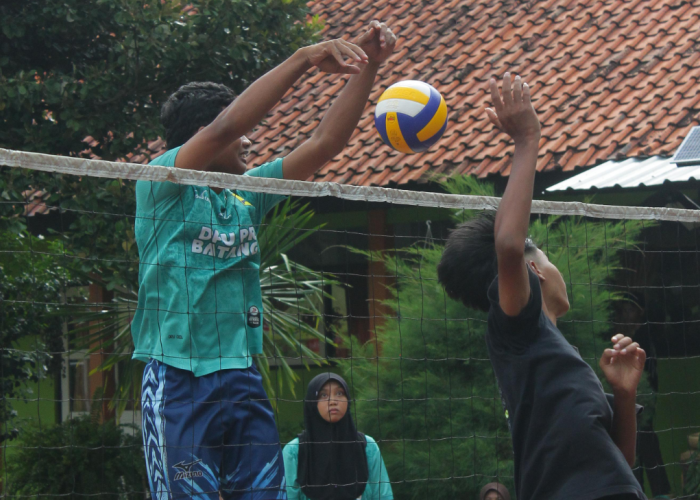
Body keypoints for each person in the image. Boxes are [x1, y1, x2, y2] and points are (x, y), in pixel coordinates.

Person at [133, 22, 397, 499]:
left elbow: (323, 145)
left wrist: (368, 68)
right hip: (178, 381)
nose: (251, 142)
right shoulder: (161, 185)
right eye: (240, 136)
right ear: (202, 138)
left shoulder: (244, 198)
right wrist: (303, 57)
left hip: (242, 380)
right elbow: (229, 125)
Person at [437, 73, 647, 500]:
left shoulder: (552, 353)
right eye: (547, 255)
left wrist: (623, 397)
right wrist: (527, 138)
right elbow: (510, 245)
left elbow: (620, 462)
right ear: (533, 272)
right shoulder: (518, 328)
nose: (556, 264)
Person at [282, 373, 394, 500]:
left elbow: (384, 496)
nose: (333, 401)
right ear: (312, 402)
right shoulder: (293, 452)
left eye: (340, 393)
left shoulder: (368, 446)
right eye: (324, 395)